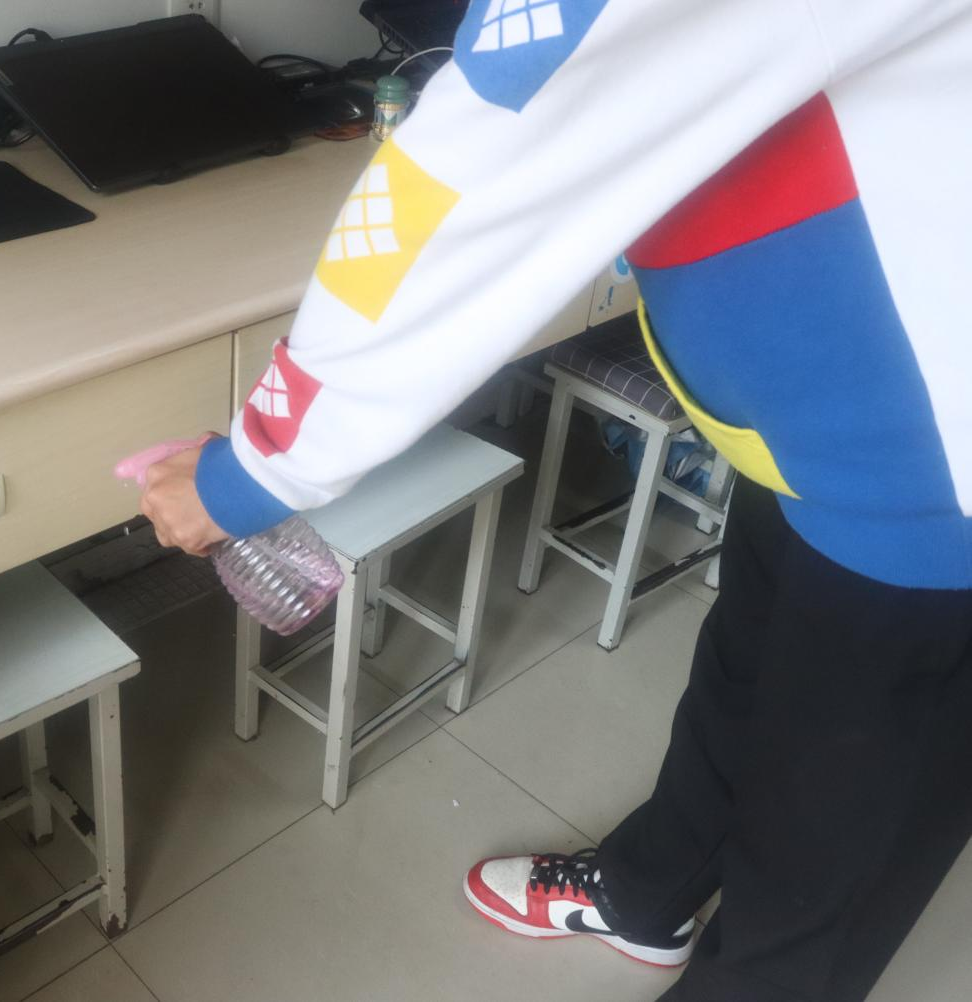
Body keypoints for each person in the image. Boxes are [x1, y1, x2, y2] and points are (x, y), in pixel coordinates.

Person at [140, 2, 972, 998]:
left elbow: (478, 158)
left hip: (937, 467)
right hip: (831, 421)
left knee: (835, 833)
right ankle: (650, 892)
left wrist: (253, 469)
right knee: (748, 674)